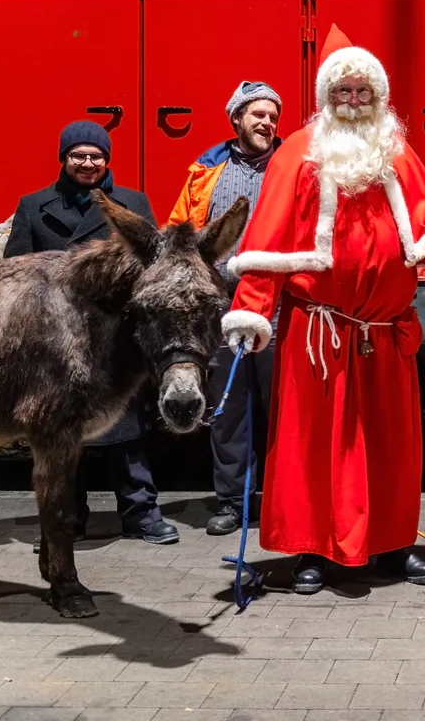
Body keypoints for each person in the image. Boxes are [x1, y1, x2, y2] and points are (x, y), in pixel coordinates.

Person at [219, 25, 425, 594]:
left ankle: (392, 543)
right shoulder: (296, 154)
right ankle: (313, 549)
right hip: (318, 335)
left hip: (385, 333)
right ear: (327, 97)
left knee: (391, 447)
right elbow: (267, 242)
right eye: (344, 92)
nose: (354, 101)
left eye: (363, 91)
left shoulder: (397, 152)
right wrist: (251, 311)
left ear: (378, 96)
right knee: (314, 446)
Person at [4, 120, 180, 548]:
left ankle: (142, 513)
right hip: (55, 340)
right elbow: (12, 273)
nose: (87, 163)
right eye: (78, 155)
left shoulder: (132, 203)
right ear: (64, 159)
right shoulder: (34, 206)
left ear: (107, 159)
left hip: (114, 335)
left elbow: (151, 269)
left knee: (127, 432)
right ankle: (68, 518)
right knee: (61, 431)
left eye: (96, 156)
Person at [169, 80, 283, 536]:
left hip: (280, 309)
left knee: (285, 411)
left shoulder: (293, 168)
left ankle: (284, 502)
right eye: (258, 114)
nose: (267, 123)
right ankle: (234, 502)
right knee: (229, 409)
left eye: (273, 116)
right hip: (220, 312)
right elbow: (180, 234)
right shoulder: (205, 171)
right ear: (236, 119)